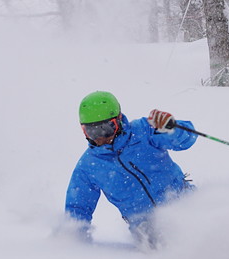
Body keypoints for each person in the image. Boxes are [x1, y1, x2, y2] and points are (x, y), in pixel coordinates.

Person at [65, 91, 198, 249]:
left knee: (213, 225)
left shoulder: (143, 131)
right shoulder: (88, 166)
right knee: (170, 242)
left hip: (187, 205)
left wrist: (172, 127)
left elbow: (187, 139)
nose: (101, 137)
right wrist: (73, 244)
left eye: (106, 128)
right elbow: (77, 209)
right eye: (93, 131)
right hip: (149, 231)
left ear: (119, 120)